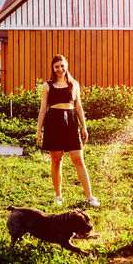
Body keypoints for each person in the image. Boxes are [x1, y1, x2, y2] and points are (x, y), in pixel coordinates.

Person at [36, 54, 100, 207]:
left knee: (78, 159)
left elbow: (78, 106)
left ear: (66, 66)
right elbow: (43, 109)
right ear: (53, 68)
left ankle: (89, 197)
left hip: (71, 123)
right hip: (53, 123)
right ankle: (58, 196)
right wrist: (39, 130)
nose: (60, 69)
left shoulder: (73, 85)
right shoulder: (47, 86)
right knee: (56, 161)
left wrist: (84, 127)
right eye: (57, 66)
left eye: (62, 66)